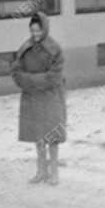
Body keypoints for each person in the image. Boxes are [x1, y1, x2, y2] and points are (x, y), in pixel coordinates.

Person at [10, 12, 66, 186]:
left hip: (50, 97)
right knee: (38, 136)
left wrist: (31, 80)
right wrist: (32, 81)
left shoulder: (54, 49)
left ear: (45, 29)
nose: (35, 35)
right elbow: (16, 73)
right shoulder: (25, 48)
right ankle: (41, 171)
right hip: (32, 97)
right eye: (32, 31)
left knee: (52, 136)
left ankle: (54, 173)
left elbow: (55, 76)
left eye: (38, 31)